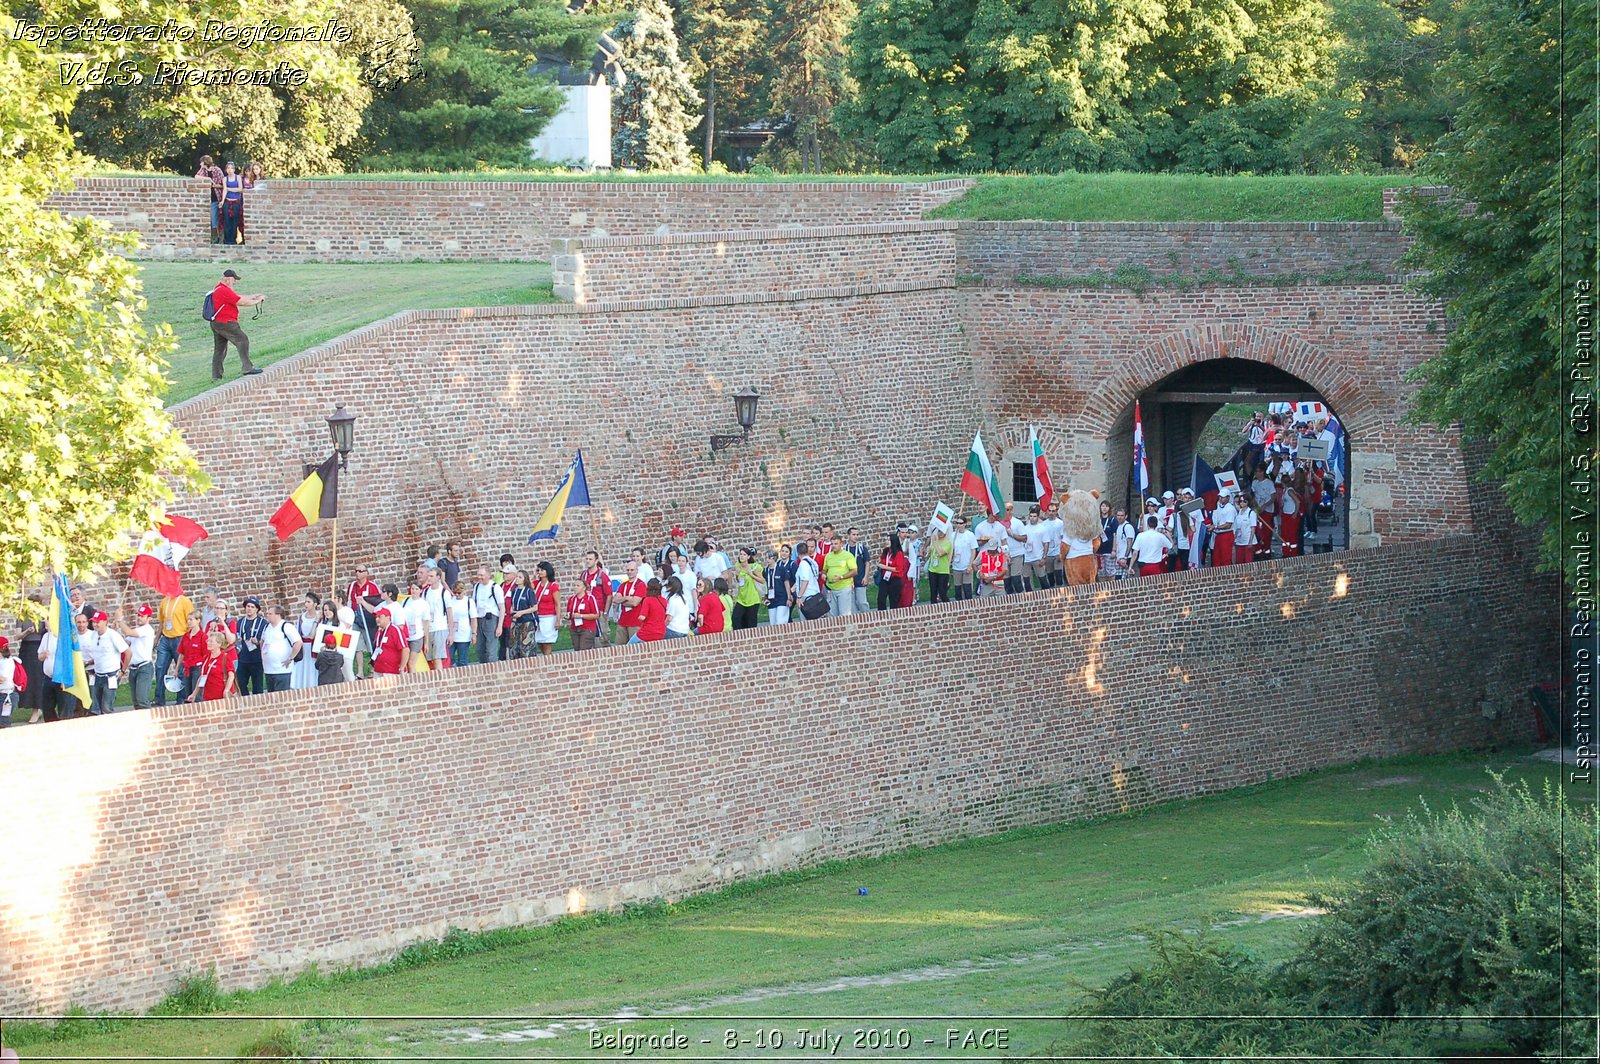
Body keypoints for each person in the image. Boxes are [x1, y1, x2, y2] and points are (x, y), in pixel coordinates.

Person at [207, 269, 265, 380]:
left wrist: (253, 296)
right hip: (226, 323)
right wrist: (258, 301)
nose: (235, 282)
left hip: (217, 323)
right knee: (242, 340)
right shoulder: (224, 290)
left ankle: (216, 376)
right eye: (234, 280)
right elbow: (242, 302)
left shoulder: (219, 288)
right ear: (228, 279)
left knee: (220, 349)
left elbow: (238, 297)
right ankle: (247, 368)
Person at [82, 611, 129, 715]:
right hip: (97, 674)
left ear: (105, 622)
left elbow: (128, 652)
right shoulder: (93, 635)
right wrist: (89, 662)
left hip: (111, 675)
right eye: (94, 622)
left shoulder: (113, 635)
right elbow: (99, 655)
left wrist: (123, 670)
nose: (95, 624)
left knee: (106, 707)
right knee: (96, 706)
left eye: (98, 622)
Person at [152, 590, 192, 707]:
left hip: (180, 637)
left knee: (180, 669)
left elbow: (190, 621)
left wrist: (188, 639)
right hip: (166, 638)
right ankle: (159, 698)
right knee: (160, 667)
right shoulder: (164, 601)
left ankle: (181, 698)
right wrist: (157, 638)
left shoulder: (185, 601)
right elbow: (162, 622)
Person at [260, 603, 301, 693]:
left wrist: (290, 658)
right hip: (268, 669)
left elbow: (298, 642)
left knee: (282, 695)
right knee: (271, 695)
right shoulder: (267, 627)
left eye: (270, 614)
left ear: (278, 615)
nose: (268, 615)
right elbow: (262, 641)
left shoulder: (286, 626)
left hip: (282, 669)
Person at [188, 631, 236, 703]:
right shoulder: (206, 657)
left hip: (221, 697)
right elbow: (202, 676)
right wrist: (194, 694)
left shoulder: (225, 657)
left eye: (211, 641)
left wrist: (226, 690)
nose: (208, 643)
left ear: (219, 644)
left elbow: (231, 676)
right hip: (208, 697)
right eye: (208, 641)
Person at [469, 566, 503, 665]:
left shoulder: (495, 587)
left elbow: (502, 607)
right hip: (479, 618)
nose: (479, 577)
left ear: (488, 575)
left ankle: (493, 670)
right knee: (479, 648)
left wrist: (499, 626)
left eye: (482, 575)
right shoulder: (477, 586)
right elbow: (474, 603)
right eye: (478, 574)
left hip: (491, 618)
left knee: (491, 649)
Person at [233, 597, 267, 696]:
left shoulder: (263, 623)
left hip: (257, 659)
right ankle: (246, 704)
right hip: (243, 658)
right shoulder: (240, 622)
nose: (249, 609)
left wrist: (258, 642)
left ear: (257, 609)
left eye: (252, 607)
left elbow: (266, 640)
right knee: (241, 684)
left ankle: (259, 706)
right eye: (248, 606)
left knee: (258, 686)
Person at [614, 558, 649, 644]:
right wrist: (627, 598)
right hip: (623, 621)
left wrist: (622, 600)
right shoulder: (623, 585)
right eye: (628, 570)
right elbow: (615, 599)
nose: (630, 572)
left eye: (632, 570)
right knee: (619, 646)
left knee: (634, 648)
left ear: (637, 570)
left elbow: (635, 602)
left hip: (635, 622)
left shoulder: (641, 584)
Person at [729, 547, 765, 630]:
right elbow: (739, 581)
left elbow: (762, 580)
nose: (742, 556)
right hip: (741, 598)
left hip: (752, 598)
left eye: (744, 555)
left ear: (748, 557)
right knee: (736, 617)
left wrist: (751, 575)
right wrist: (737, 576)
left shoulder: (753, 567)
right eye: (741, 554)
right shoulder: (738, 566)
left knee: (750, 622)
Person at [177, 611, 208, 704]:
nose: (189, 622)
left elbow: (206, 655)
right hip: (187, 667)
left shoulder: (203, 636)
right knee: (187, 693)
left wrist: (204, 670)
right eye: (188, 619)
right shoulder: (186, 636)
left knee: (197, 694)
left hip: (198, 667)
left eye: (191, 619)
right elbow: (181, 653)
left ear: (198, 620)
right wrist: (177, 669)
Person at [291, 592, 321, 690]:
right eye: (305, 602)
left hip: (313, 647)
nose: (306, 604)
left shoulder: (319, 617)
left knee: (312, 668)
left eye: (309, 602)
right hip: (304, 646)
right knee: (302, 667)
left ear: (315, 604)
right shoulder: (302, 617)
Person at [822, 537, 858, 617]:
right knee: (832, 615)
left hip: (844, 588)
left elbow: (854, 571)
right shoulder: (828, 556)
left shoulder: (848, 555)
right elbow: (824, 569)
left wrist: (841, 577)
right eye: (832, 544)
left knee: (844, 615)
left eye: (836, 544)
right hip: (831, 589)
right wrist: (823, 574)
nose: (833, 546)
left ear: (841, 544)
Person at [566, 569, 600, 651]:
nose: (575, 588)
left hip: (587, 628)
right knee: (577, 650)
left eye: (578, 586)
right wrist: (568, 616)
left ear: (584, 588)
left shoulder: (590, 598)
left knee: (584, 650)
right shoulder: (572, 599)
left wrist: (581, 616)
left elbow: (596, 615)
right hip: (575, 628)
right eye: (574, 585)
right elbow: (569, 613)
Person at [581, 551, 612, 644]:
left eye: (590, 559)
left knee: (603, 637)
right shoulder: (583, 575)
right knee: (588, 637)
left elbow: (609, 595)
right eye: (586, 559)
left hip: (599, 611)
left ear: (596, 561)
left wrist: (606, 612)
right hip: (587, 611)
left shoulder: (602, 575)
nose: (588, 561)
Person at [531, 562, 560, 656]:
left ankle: (549, 661)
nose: (540, 572)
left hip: (549, 617)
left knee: (547, 642)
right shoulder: (536, 584)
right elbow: (526, 584)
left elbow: (557, 604)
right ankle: (547, 658)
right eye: (538, 570)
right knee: (539, 641)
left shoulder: (553, 586)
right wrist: (533, 575)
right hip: (538, 616)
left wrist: (558, 620)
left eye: (542, 570)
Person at [507, 569, 537, 660]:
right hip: (516, 621)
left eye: (520, 577)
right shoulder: (514, 591)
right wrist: (513, 611)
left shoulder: (528, 591)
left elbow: (535, 607)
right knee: (514, 647)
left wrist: (522, 612)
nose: (517, 579)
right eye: (516, 576)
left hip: (527, 621)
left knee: (526, 647)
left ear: (524, 579)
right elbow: (513, 604)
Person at [370, 607, 409, 675]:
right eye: (376, 617)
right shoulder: (378, 632)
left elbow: (405, 649)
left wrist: (402, 668)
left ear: (388, 617)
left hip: (392, 671)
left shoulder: (395, 630)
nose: (377, 619)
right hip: (379, 670)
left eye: (379, 617)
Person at [876, 532, 909, 609]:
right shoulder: (885, 552)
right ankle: (882, 616)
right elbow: (883, 561)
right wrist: (879, 562)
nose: (886, 542)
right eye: (886, 540)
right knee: (881, 598)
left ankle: (893, 618)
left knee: (893, 601)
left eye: (889, 540)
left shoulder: (899, 553)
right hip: (885, 578)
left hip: (895, 579)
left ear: (893, 541)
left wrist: (884, 567)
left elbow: (898, 569)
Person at [766, 545, 796, 625]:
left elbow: (787, 583)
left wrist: (789, 597)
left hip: (782, 598)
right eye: (782, 551)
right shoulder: (766, 570)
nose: (767, 560)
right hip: (771, 598)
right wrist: (764, 597)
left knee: (781, 622)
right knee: (773, 623)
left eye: (769, 558)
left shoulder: (783, 568)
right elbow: (764, 583)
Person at [950, 516, 978, 600]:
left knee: (967, 589)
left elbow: (973, 551)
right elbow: (951, 550)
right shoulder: (953, 535)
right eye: (957, 523)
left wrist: (970, 565)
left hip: (966, 565)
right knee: (958, 590)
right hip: (956, 566)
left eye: (961, 523)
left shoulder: (970, 535)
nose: (959, 525)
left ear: (965, 524)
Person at [791, 542, 821, 619]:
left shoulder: (803, 564)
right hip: (814, 593)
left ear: (797, 553)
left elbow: (805, 581)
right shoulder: (812, 562)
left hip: (806, 596)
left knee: (806, 622)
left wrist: (799, 596)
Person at [446, 578, 471, 667]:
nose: (457, 595)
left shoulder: (468, 601)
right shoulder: (451, 601)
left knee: (462, 660)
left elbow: (473, 618)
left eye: (459, 593)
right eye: (455, 593)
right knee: (450, 658)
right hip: (452, 633)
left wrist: (474, 633)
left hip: (464, 634)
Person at [219, 161, 245, 244]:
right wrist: (222, 201)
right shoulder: (224, 179)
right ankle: (226, 240)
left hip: (236, 202)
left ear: (234, 169)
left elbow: (240, 189)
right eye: (228, 168)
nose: (229, 170)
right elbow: (224, 190)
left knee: (235, 221)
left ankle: (233, 240)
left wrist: (230, 189)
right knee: (227, 221)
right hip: (227, 201)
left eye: (231, 168)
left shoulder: (238, 178)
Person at [926, 526, 953, 603]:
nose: (940, 533)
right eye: (939, 531)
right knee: (933, 592)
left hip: (943, 571)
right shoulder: (934, 541)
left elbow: (941, 553)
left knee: (942, 593)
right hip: (933, 569)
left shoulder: (948, 543)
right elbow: (931, 553)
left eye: (942, 531)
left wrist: (936, 542)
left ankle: (948, 608)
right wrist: (928, 550)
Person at [1211, 491, 1238, 566]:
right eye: (1220, 497)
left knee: (1225, 558)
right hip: (1218, 535)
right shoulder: (1218, 506)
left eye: (1222, 497)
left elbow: (1228, 525)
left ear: (1228, 498)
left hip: (1226, 534)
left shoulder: (1230, 508)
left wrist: (1215, 527)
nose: (1220, 499)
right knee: (1216, 557)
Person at [0, 637, 19, 727]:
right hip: (2, 694)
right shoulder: (2, 661)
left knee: (3, 722)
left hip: (7, 696)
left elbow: (2, 679)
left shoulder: (7, 662)